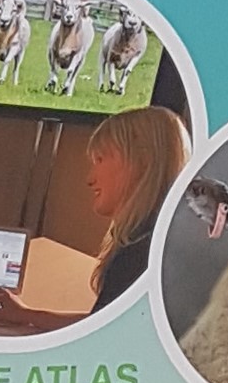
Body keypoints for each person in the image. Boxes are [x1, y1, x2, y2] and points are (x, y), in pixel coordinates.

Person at [75, 107, 190, 308]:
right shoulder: (160, 240)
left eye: (100, 160)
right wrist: (29, 316)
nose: (89, 179)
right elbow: (104, 324)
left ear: (143, 162)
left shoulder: (138, 256)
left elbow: (103, 337)